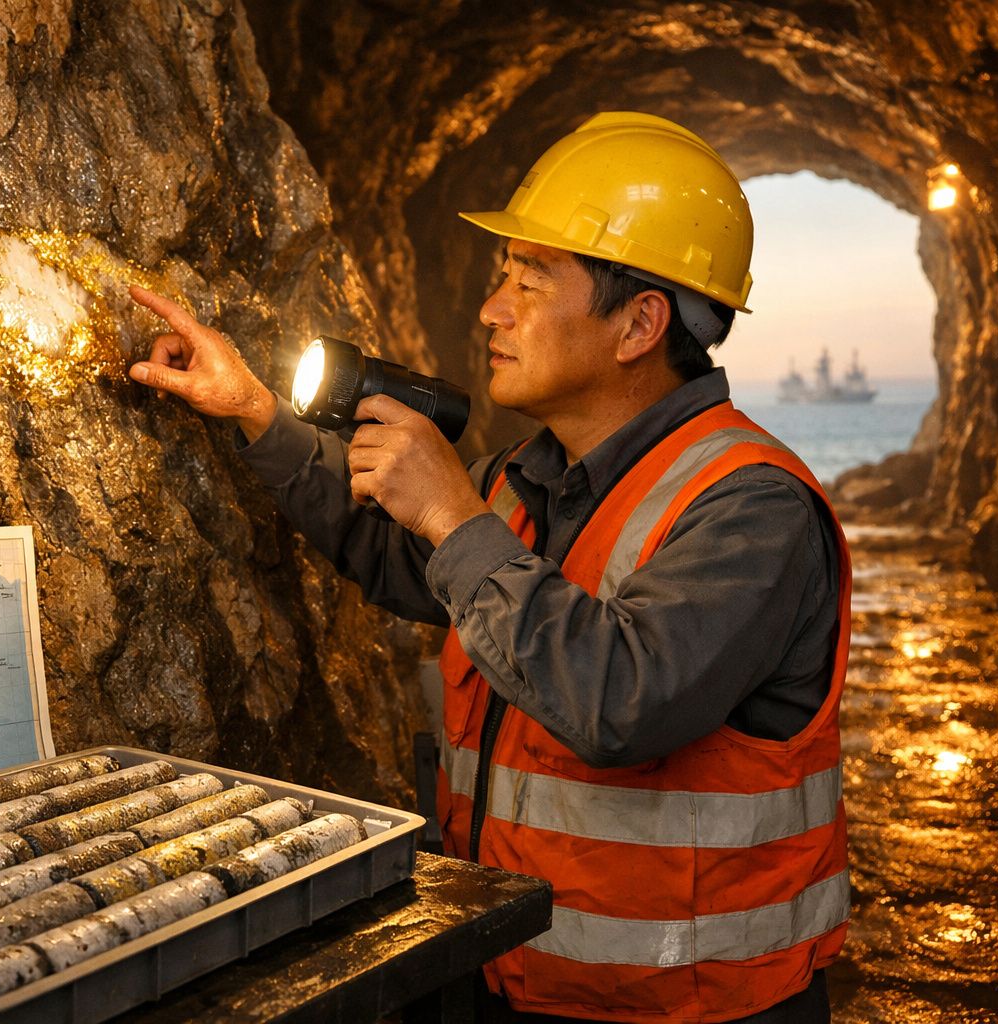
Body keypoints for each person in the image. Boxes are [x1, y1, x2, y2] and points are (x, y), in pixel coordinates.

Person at [126, 111, 850, 1023]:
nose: (492, 309)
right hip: (510, 974)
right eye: (501, 275)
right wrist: (256, 414)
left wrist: (452, 513)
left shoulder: (752, 507)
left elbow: (622, 700)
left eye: (530, 280)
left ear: (639, 324)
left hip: (689, 1007)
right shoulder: (526, 478)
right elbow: (396, 553)